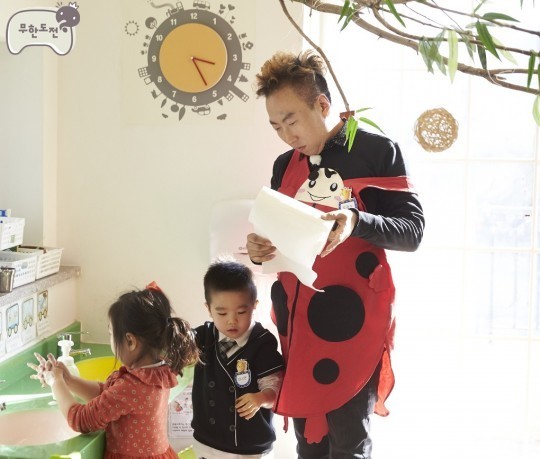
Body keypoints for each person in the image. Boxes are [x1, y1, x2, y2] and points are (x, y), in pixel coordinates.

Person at [246, 50, 425, 458]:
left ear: (323, 105)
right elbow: (279, 236)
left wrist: (356, 220)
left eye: (291, 121)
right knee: (309, 447)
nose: (286, 135)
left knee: (348, 445)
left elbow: (413, 232)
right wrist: (259, 250)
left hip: (353, 325)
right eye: (276, 126)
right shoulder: (284, 165)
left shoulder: (376, 151)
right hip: (298, 327)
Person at [28, 282, 200, 459]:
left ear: (130, 341)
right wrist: (68, 380)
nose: (111, 339)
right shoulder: (160, 371)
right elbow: (107, 395)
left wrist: (55, 382)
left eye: (111, 334)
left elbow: (80, 420)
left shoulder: (132, 386)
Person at [191, 259, 284, 459]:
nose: (232, 320)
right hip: (207, 441)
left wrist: (261, 398)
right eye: (222, 313)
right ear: (208, 309)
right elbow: (174, 346)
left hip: (249, 447)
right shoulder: (203, 337)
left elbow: (274, 387)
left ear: (254, 306)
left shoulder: (262, 343)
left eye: (241, 312)